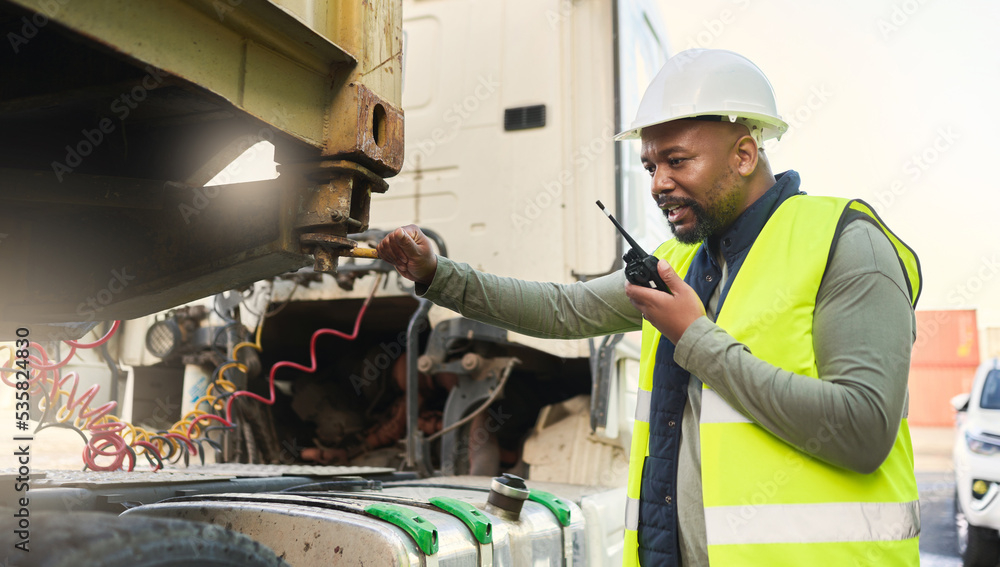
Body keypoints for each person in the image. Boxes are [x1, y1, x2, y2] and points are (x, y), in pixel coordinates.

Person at [377, 48, 921, 567]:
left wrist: (697, 339)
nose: (659, 183)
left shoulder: (846, 243)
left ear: (744, 154)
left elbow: (863, 429)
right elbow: (563, 310)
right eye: (650, 165)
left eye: (677, 160)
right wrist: (435, 274)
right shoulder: (677, 264)